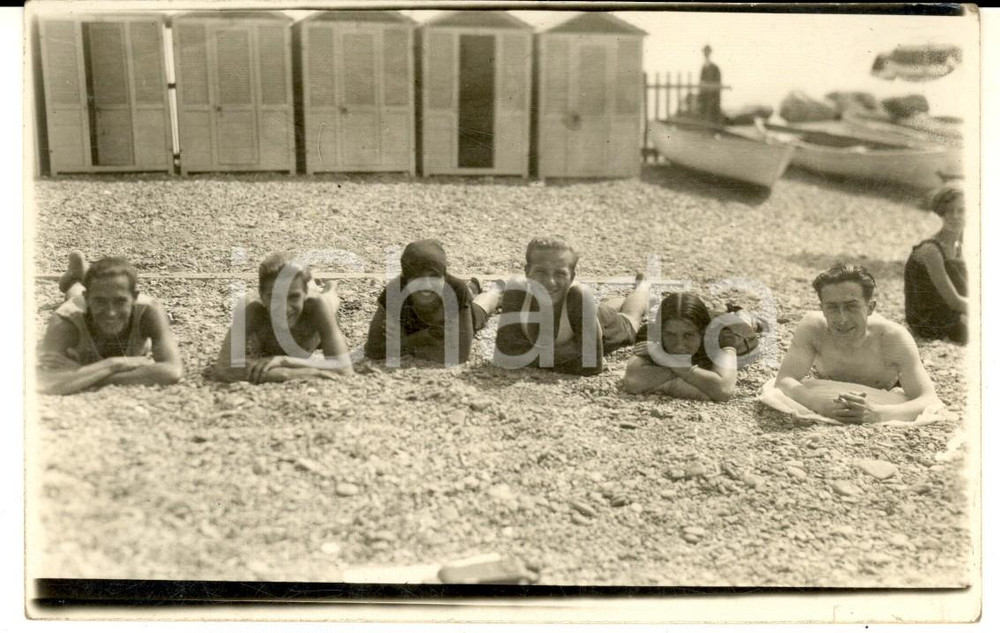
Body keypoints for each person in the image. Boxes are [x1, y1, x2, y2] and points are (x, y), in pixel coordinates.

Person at [773, 263, 939, 423]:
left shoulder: (893, 338)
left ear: (870, 308)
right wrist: (819, 404)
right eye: (832, 307)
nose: (842, 319)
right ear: (822, 308)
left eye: (851, 307)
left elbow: (928, 399)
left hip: (884, 396)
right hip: (828, 395)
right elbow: (784, 379)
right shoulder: (813, 328)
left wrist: (877, 414)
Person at [493, 236, 649, 376]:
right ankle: (612, 301)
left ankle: (642, 287)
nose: (549, 282)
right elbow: (503, 356)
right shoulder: (517, 288)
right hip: (583, 315)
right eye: (540, 271)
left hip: (604, 324)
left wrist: (527, 355)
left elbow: (591, 366)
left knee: (631, 318)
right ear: (527, 272)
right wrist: (570, 353)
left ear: (572, 277)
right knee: (599, 307)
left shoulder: (579, 294)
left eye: (560, 274)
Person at [37, 252, 183, 395]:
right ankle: (74, 280)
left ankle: (81, 275)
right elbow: (42, 380)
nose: (111, 312)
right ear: (86, 298)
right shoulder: (65, 319)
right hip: (80, 304)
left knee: (101, 293)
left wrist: (82, 373)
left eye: (120, 301)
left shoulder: (149, 310)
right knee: (74, 298)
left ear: (134, 298)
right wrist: (114, 364)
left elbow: (172, 371)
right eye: (100, 301)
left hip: (92, 306)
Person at [214, 252, 353, 383]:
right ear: (262, 295)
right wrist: (290, 374)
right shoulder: (251, 308)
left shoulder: (316, 305)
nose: (284, 308)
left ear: (305, 293)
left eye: (293, 297)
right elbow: (224, 368)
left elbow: (344, 368)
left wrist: (285, 362)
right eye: (274, 298)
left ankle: (330, 287)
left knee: (330, 300)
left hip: (317, 306)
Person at [365, 239, 502, 365]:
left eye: (434, 277)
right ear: (406, 279)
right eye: (418, 277)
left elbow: (459, 355)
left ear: (444, 277)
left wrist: (405, 342)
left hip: (454, 306)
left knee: (481, 307)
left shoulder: (456, 290)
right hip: (442, 321)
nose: (427, 284)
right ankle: (472, 288)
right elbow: (373, 350)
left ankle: (496, 290)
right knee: (464, 294)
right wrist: (430, 340)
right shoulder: (394, 291)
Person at [623, 292, 737, 401]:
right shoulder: (651, 333)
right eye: (670, 335)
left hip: (738, 331)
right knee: (716, 313)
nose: (679, 346)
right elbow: (633, 382)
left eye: (688, 335)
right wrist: (693, 374)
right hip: (707, 318)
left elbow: (723, 390)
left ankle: (740, 314)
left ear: (703, 333)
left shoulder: (719, 335)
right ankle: (721, 309)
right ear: (660, 331)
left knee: (741, 320)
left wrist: (667, 360)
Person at [904, 186, 967, 344]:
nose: (955, 216)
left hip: (952, 311)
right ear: (940, 213)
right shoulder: (931, 249)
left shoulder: (959, 245)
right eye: (948, 211)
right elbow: (955, 301)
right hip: (930, 321)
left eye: (961, 210)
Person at [697, 44, 722, 123]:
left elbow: (718, 82)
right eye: (705, 52)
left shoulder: (715, 68)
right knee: (704, 111)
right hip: (705, 94)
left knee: (712, 112)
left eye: (707, 52)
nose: (706, 54)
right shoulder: (703, 67)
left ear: (710, 53)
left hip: (713, 95)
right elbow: (701, 82)